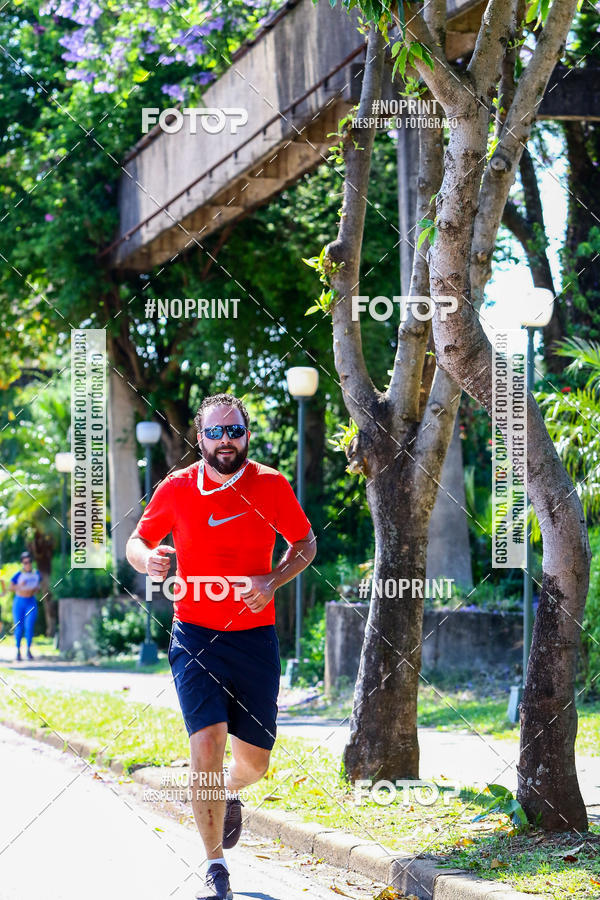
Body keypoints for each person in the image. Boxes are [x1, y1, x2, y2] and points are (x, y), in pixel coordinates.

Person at [126, 393, 316, 900]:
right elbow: (136, 542)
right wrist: (149, 561)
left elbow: (305, 543)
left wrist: (272, 580)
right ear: (200, 437)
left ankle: (230, 791)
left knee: (254, 764)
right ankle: (216, 869)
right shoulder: (177, 487)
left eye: (234, 431)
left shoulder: (271, 485)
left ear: (246, 435)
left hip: (254, 639)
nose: (225, 440)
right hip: (194, 635)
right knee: (206, 743)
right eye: (215, 432)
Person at [9, 551, 42, 662]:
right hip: (19, 602)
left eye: (29, 561)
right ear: (22, 563)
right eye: (25, 562)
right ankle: (18, 651)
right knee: (19, 627)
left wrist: (37, 589)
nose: (28, 564)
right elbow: (10, 587)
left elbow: (39, 587)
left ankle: (28, 650)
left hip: (31, 601)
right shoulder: (18, 574)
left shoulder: (36, 573)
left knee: (29, 626)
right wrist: (19, 585)